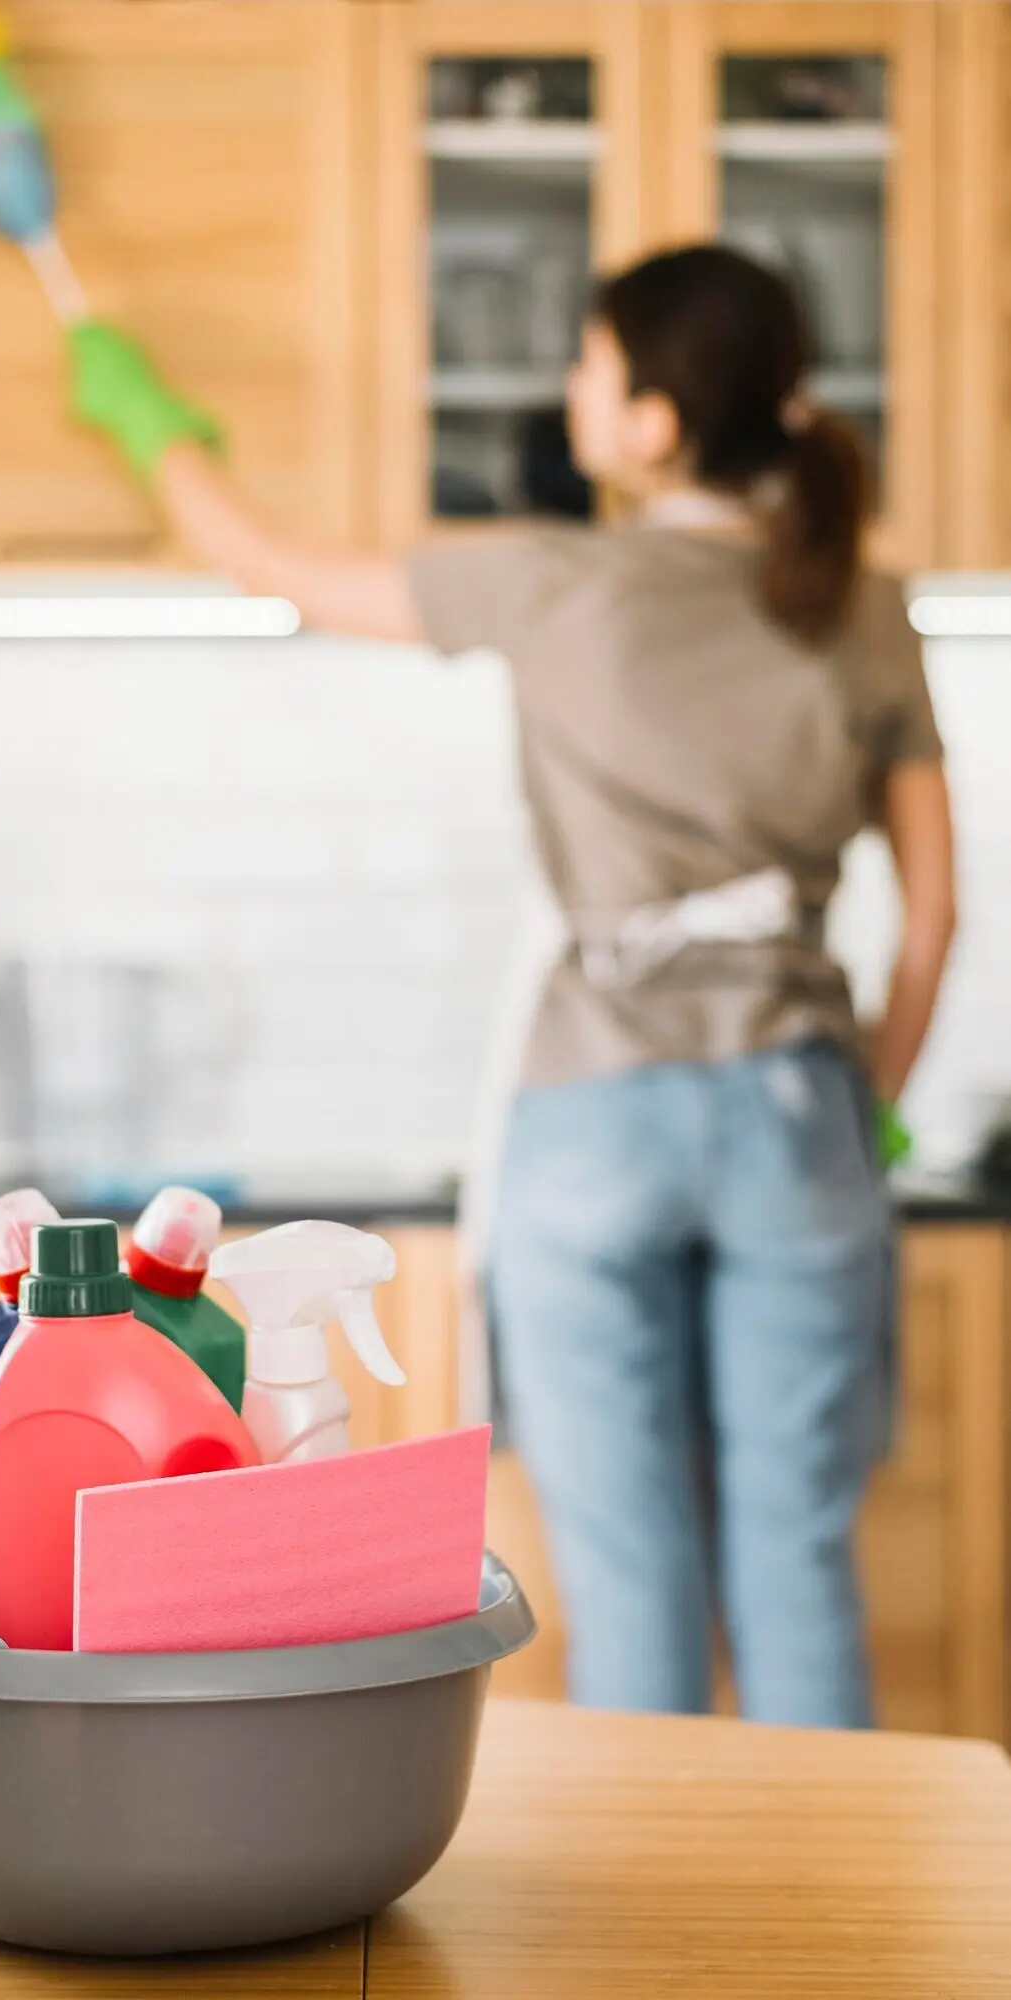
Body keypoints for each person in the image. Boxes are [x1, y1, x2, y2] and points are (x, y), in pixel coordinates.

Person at [71, 244, 956, 1727]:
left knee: (628, 1577)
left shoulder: (549, 581)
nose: (570, 390)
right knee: (797, 1561)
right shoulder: (866, 605)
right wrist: (862, 1111)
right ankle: (832, 1936)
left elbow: (267, 565)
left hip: (592, 1115)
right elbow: (931, 919)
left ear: (656, 421)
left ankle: (643, 1937)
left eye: (592, 365)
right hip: (799, 1110)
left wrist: (151, 422)